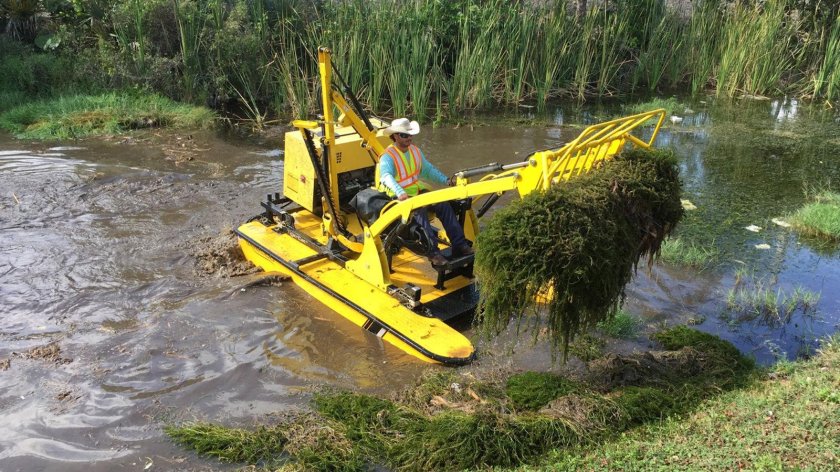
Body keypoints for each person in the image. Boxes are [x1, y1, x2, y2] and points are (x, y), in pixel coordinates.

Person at [378, 118, 474, 266]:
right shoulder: (388, 157)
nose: (409, 138)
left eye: (410, 135)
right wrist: (399, 192)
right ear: (395, 136)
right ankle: (433, 253)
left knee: (443, 204)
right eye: (404, 135)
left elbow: (428, 170)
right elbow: (386, 177)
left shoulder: (416, 151)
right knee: (420, 212)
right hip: (396, 197)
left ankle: (460, 244)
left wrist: (446, 180)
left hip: (416, 190)